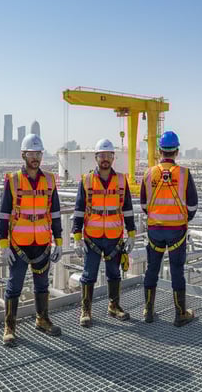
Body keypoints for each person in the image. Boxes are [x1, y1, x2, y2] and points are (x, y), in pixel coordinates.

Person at [0, 134, 63, 346]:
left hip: (42, 244)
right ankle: (9, 327)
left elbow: (55, 213)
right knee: (14, 286)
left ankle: (42, 319)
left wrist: (59, 240)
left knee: (42, 285)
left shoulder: (50, 180)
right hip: (18, 246)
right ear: (23, 155)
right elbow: (4, 215)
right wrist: (3, 245)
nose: (35, 157)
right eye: (32, 153)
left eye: (38, 153)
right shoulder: (14, 180)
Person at [73, 139, 136, 327]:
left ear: (113, 157)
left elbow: (127, 209)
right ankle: (86, 310)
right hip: (92, 236)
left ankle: (114, 306)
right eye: (102, 155)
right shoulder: (86, 180)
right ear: (96, 158)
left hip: (114, 237)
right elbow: (79, 209)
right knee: (88, 274)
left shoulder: (121, 180)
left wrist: (131, 233)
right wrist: (76, 236)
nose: (105, 159)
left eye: (108, 155)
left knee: (114, 273)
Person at [140, 130, 198, 326]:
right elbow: (193, 205)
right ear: (177, 151)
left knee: (152, 269)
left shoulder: (149, 174)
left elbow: (143, 204)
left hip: (155, 230)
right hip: (177, 231)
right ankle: (180, 313)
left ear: (159, 151)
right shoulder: (184, 174)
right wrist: (182, 217)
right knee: (176, 271)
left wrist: (157, 216)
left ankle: (148, 310)